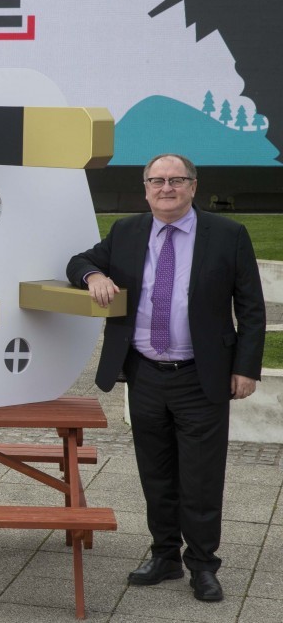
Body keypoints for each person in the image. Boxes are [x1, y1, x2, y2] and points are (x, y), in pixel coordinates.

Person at [67, 153, 265, 602]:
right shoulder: (127, 232)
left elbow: (251, 307)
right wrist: (94, 274)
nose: (166, 188)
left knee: (200, 476)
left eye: (177, 180)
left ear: (194, 186)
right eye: (157, 181)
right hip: (145, 374)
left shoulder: (228, 235)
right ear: (145, 188)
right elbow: (77, 261)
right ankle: (164, 556)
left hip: (202, 375)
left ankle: (202, 565)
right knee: (155, 473)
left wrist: (245, 368)